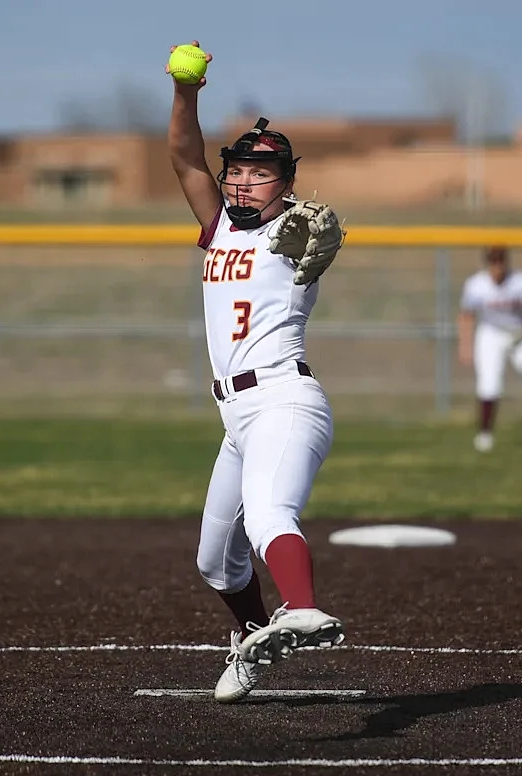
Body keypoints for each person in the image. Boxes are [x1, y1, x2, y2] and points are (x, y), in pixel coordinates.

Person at [165, 41, 348, 704]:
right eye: (237, 169)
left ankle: (301, 607)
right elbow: (184, 154)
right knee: (215, 562)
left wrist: (318, 245)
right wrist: (187, 92)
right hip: (236, 418)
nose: (243, 180)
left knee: (272, 512)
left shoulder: (293, 231)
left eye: (259, 172)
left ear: (288, 183)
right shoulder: (217, 226)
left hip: (283, 401)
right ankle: (250, 642)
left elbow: (315, 242)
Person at [457, 245, 522, 452]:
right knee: (488, 383)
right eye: (493, 261)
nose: (497, 266)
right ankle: (485, 434)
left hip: (520, 330)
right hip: (491, 333)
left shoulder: (521, 282)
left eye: (500, 260)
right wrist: (465, 345)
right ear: (487, 263)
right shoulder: (476, 285)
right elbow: (466, 315)